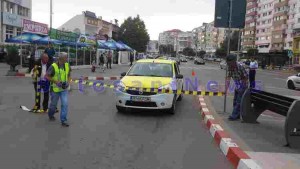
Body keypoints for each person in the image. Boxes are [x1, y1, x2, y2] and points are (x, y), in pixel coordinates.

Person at [45, 52, 71, 127]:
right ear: (61, 58)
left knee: (65, 104)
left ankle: (63, 120)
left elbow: (69, 75)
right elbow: (47, 76)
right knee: (53, 105)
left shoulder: (67, 65)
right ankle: (50, 114)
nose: (67, 59)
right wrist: (56, 81)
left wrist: (68, 82)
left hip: (64, 89)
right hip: (55, 89)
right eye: (66, 57)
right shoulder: (53, 66)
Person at [226, 54, 249, 121]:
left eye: (229, 62)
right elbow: (228, 78)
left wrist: (241, 86)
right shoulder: (230, 67)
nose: (228, 64)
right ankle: (237, 115)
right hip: (237, 84)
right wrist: (226, 89)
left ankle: (234, 115)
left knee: (239, 101)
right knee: (235, 101)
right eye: (227, 62)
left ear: (233, 61)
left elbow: (246, 77)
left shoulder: (240, 67)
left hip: (243, 84)